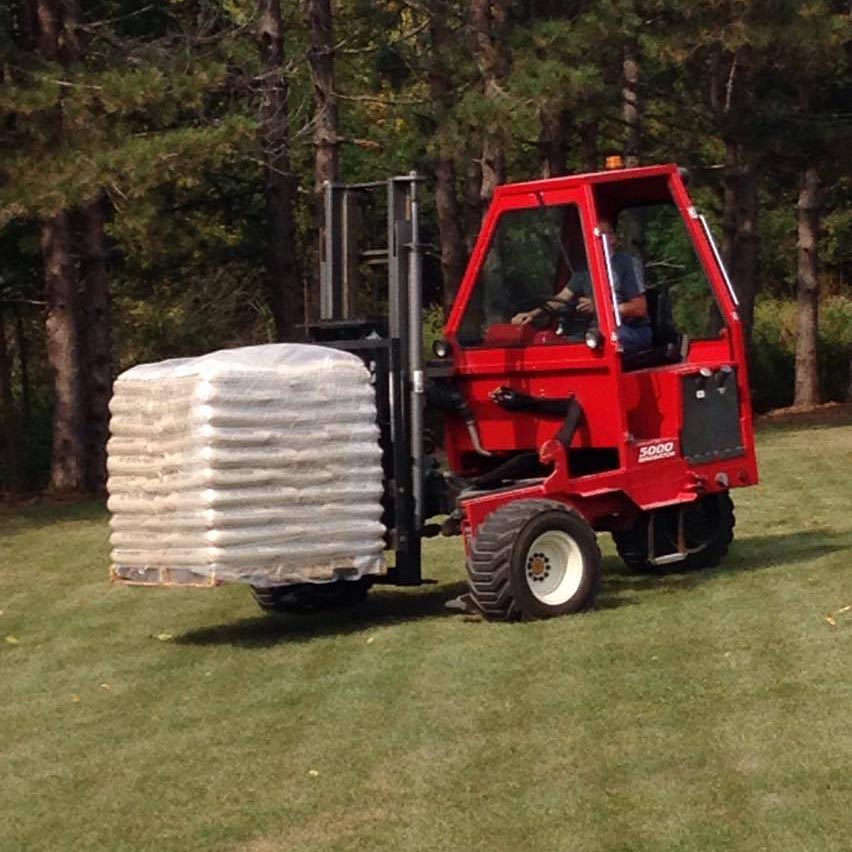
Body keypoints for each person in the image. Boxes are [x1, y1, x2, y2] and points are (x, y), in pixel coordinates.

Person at [511, 219, 652, 354]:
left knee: (609, 337)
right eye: (590, 237)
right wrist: (531, 314)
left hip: (630, 330)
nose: (594, 241)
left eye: (599, 236)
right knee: (563, 342)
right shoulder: (585, 269)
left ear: (612, 238)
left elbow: (639, 308)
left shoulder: (627, 264)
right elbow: (562, 297)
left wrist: (599, 308)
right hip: (594, 331)